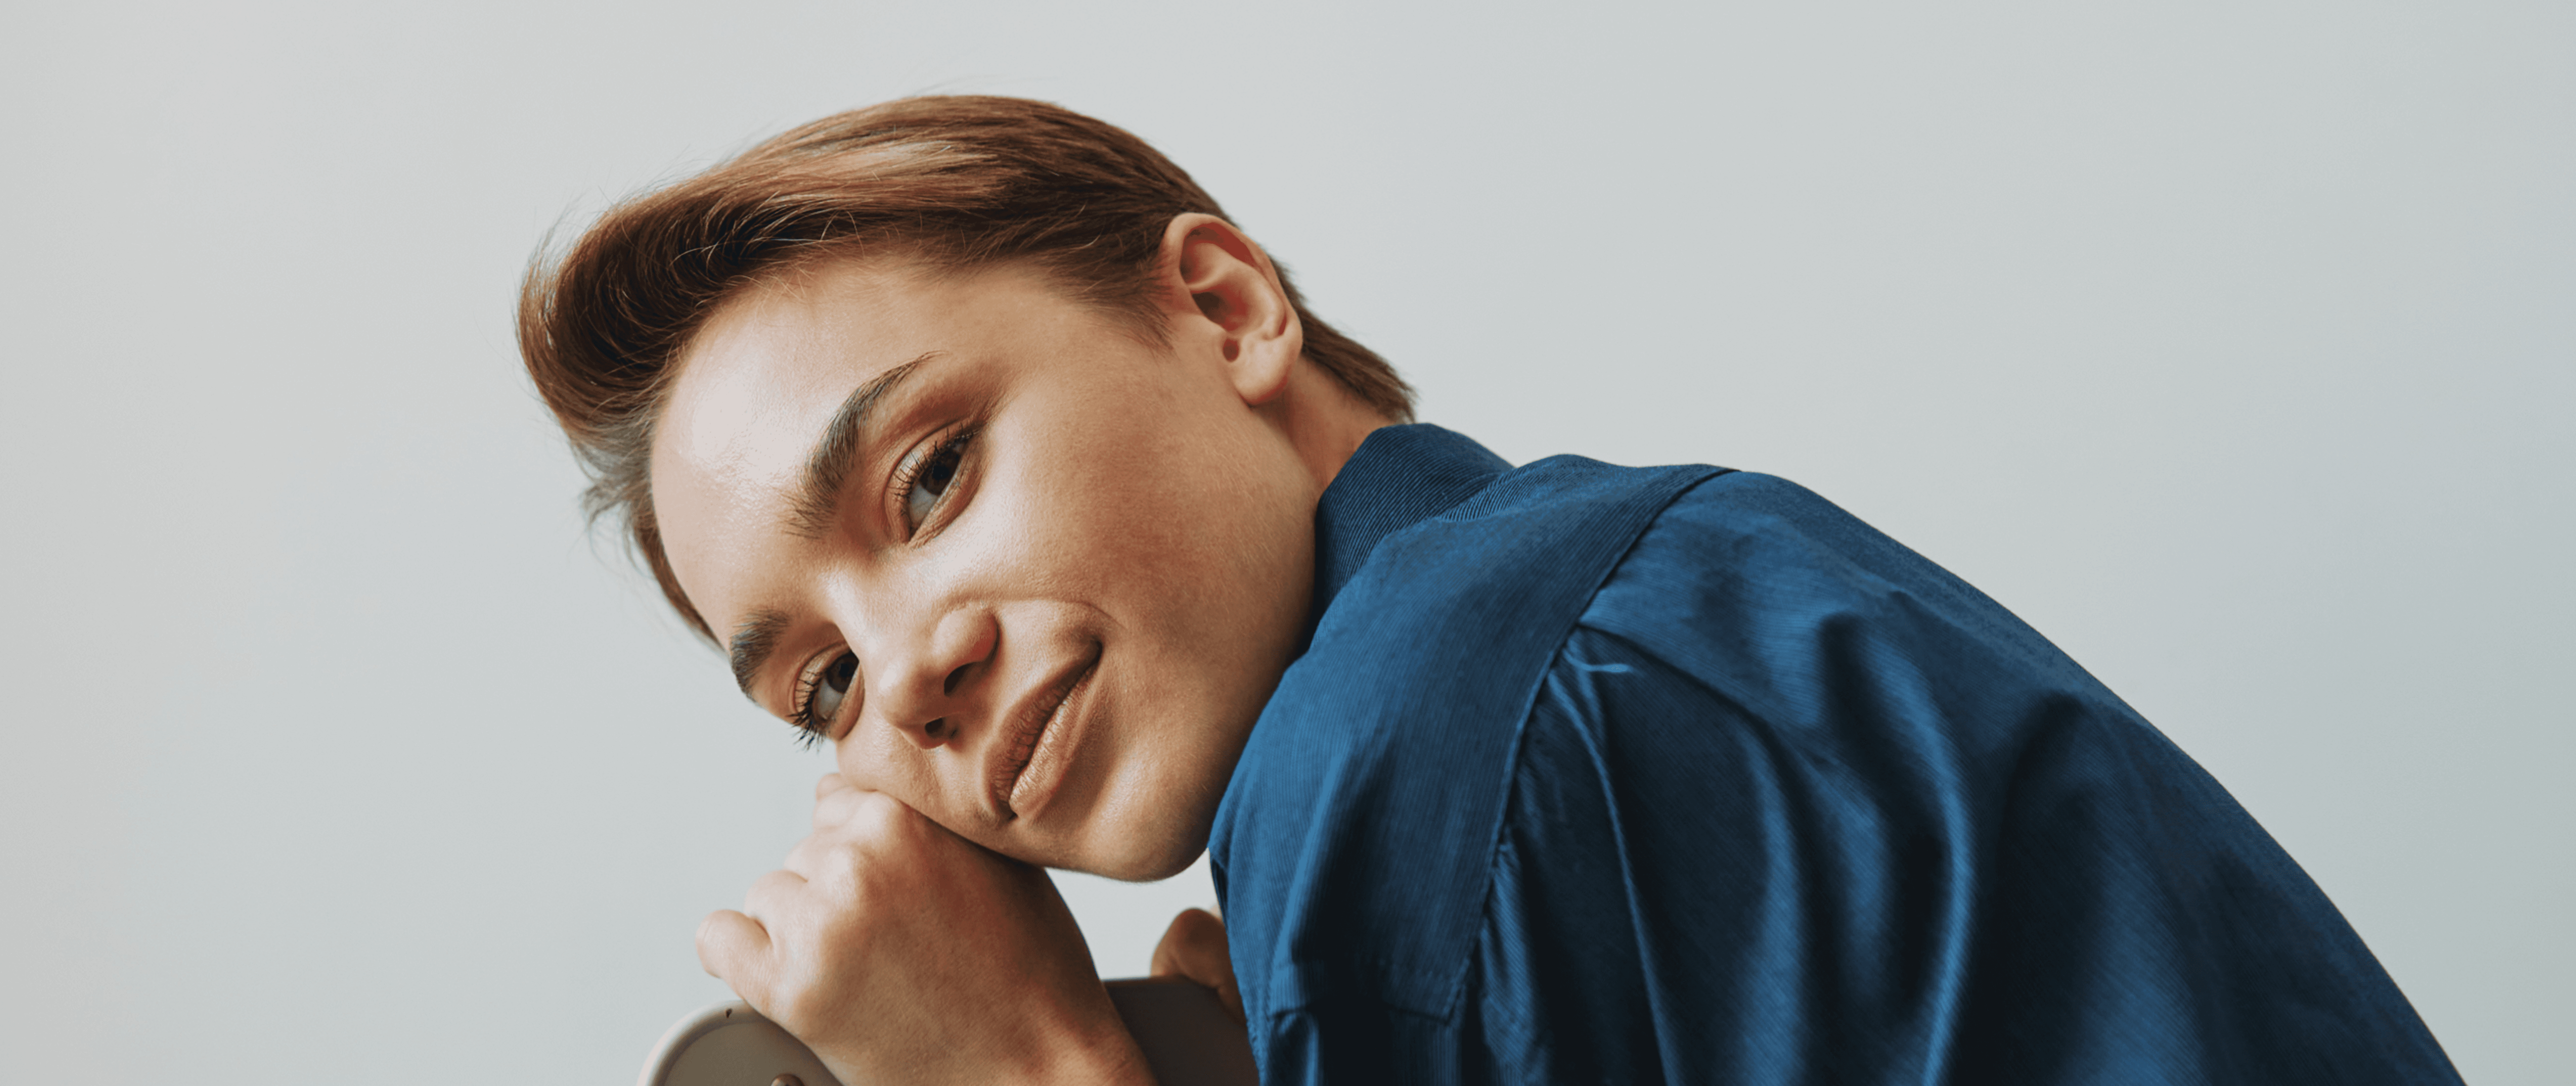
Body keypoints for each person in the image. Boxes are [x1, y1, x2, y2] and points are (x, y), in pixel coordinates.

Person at [516, 96, 2461, 1085]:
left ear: (1223, 307)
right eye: (820, 692)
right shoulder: (1624, 587)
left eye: (930, 475)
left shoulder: (1426, 745)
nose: (909, 677)